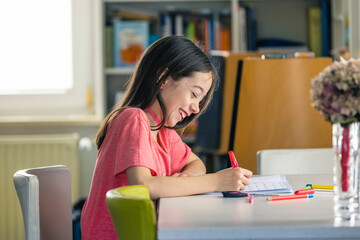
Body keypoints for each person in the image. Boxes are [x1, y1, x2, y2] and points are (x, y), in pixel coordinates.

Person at [81, 35, 252, 240]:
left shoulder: (163, 132)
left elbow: (197, 164)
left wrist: (184, 179)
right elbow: (145, 186)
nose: (196, 107)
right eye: (194, 94)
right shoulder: (134, 119)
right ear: (164, 79)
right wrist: (217, 182)